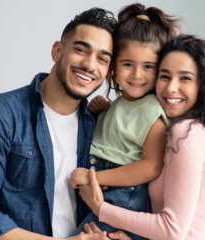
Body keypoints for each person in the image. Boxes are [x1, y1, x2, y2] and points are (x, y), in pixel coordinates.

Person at [78, 34, 205, 240]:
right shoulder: (187, 131)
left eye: (185, 78)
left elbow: (172, 230)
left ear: (203, 86)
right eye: (164, 76)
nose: (171, 88)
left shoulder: (187, 134)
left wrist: (101, 208)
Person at [0, 7, 117, 240]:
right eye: (81, 50)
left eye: (102, 59)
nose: (90, 65)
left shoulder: (100, 125)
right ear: (57, 51)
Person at [70, 3, 179, 239]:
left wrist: (95, 178)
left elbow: (151, 165)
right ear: (114, 66)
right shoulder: (119, 104)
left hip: (123, 199)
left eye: (148, 67)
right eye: (128, 64)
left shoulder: (152, 109)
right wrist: (100, 111)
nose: (137, 74)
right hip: (107, 192)